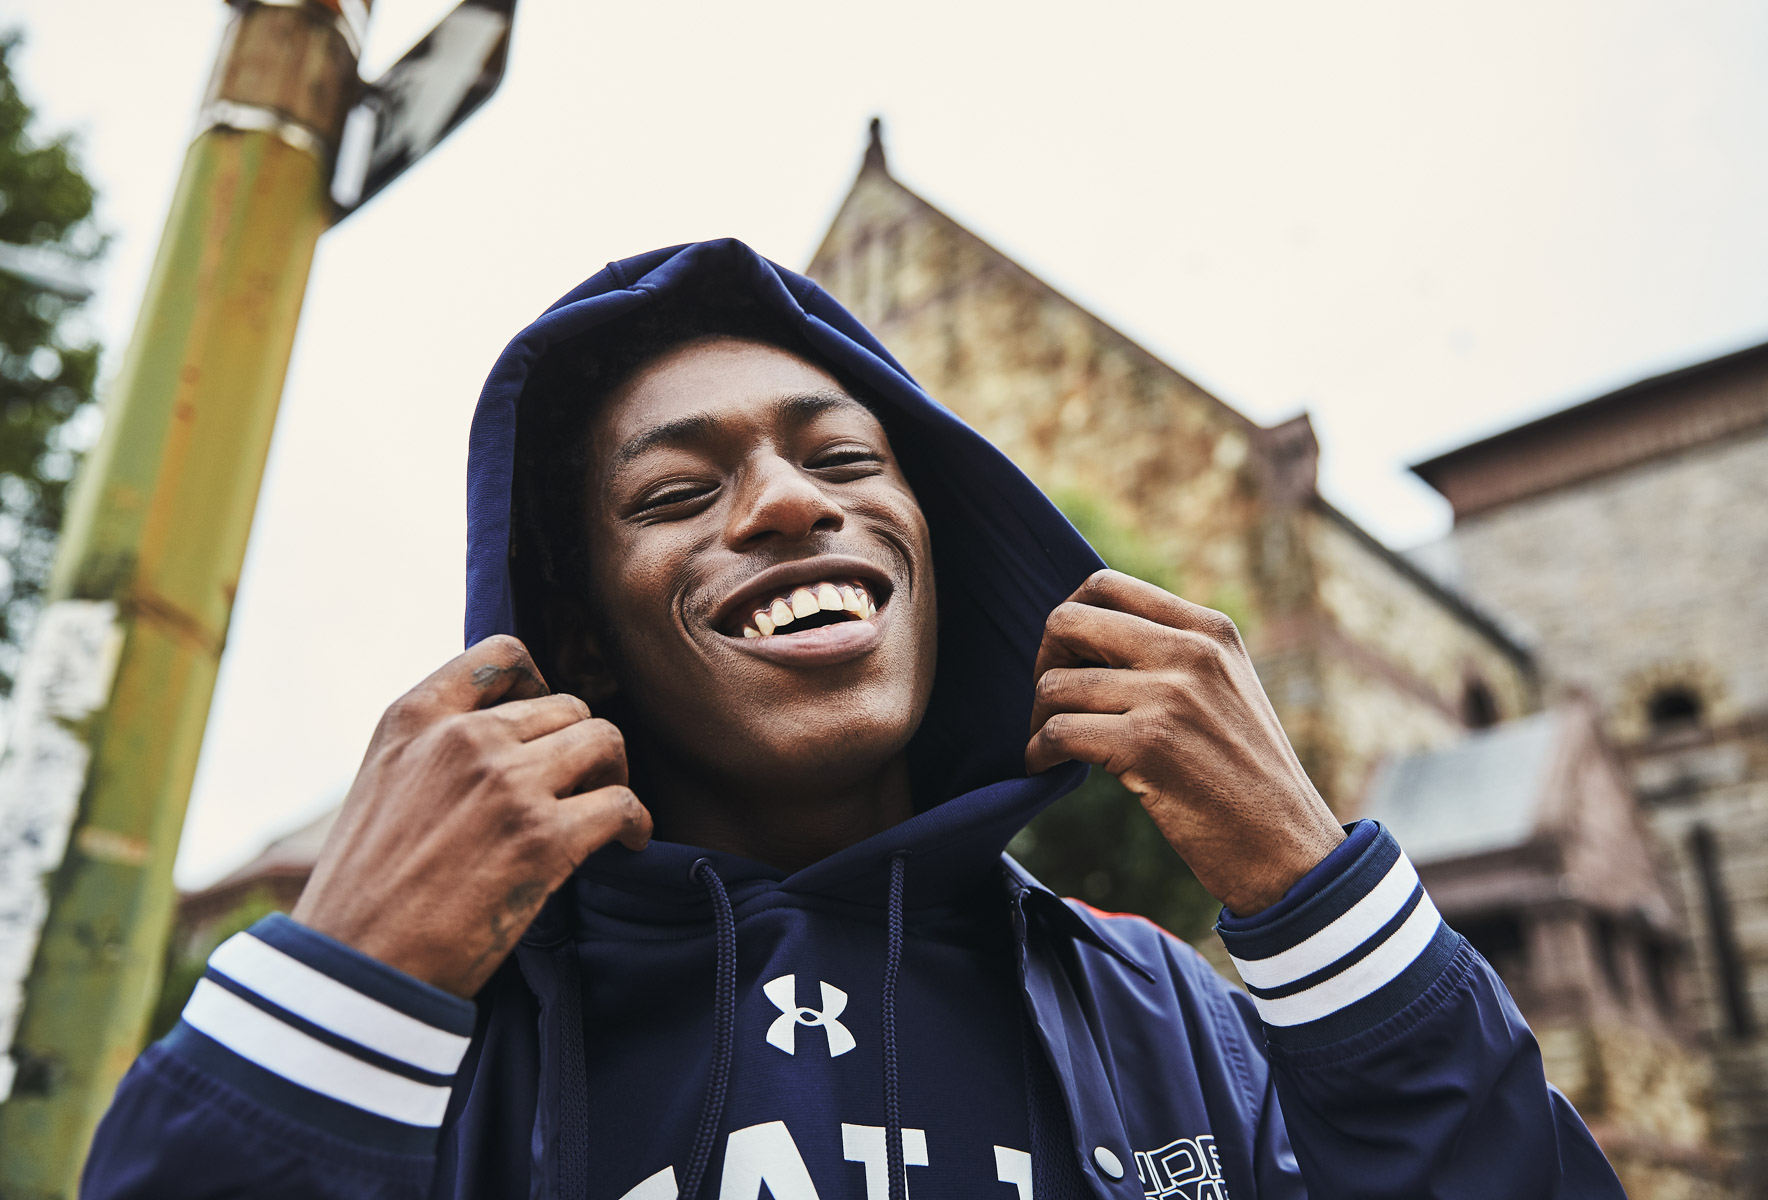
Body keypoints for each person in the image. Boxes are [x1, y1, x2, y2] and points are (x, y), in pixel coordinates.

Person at [83, 240, 1625, 1199]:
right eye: (679, 493)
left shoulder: (1169, 1015)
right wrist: (336, 985)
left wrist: (1323, 895)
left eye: (849, 461)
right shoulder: (446, 1034)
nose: (789, 504)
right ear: (583, 646)